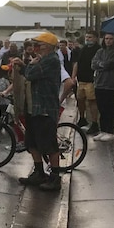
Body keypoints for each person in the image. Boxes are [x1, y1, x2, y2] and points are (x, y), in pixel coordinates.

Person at [14, 32, 62, 191]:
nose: (34, 48)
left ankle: (55, 177)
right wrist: (23, 65)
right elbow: (28, 71)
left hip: (45, 109)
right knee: (32, 142)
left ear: (47, 47)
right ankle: (39, 172)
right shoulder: (41, 60)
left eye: (38, 45)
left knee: (49, 144)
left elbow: (31, 74)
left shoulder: (51, 60)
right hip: (33, 108)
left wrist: (29, 66)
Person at [92, 32, 114, 142]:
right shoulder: (100, 51)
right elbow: (93, 64)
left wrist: (100, 64)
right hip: (99, 83)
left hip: (110, 83)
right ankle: (103, 130)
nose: (108, 41)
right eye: (106, 38)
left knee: (109, 108)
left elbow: (109, 64)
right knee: (101, 108)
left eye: (110, 39)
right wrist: (101, 64)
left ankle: (110, 131)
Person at [72, 29, 101, 135]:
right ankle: (82, 118)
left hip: (91, 80)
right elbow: (77, 63)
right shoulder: (83, 49)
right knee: (80, 99)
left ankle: (94, 122)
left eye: (90, 37)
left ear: (96, 38)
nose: (88, 39)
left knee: (92, 101)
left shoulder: (98, 50)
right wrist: (73, 77)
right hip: (81, 79)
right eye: (87, 37)